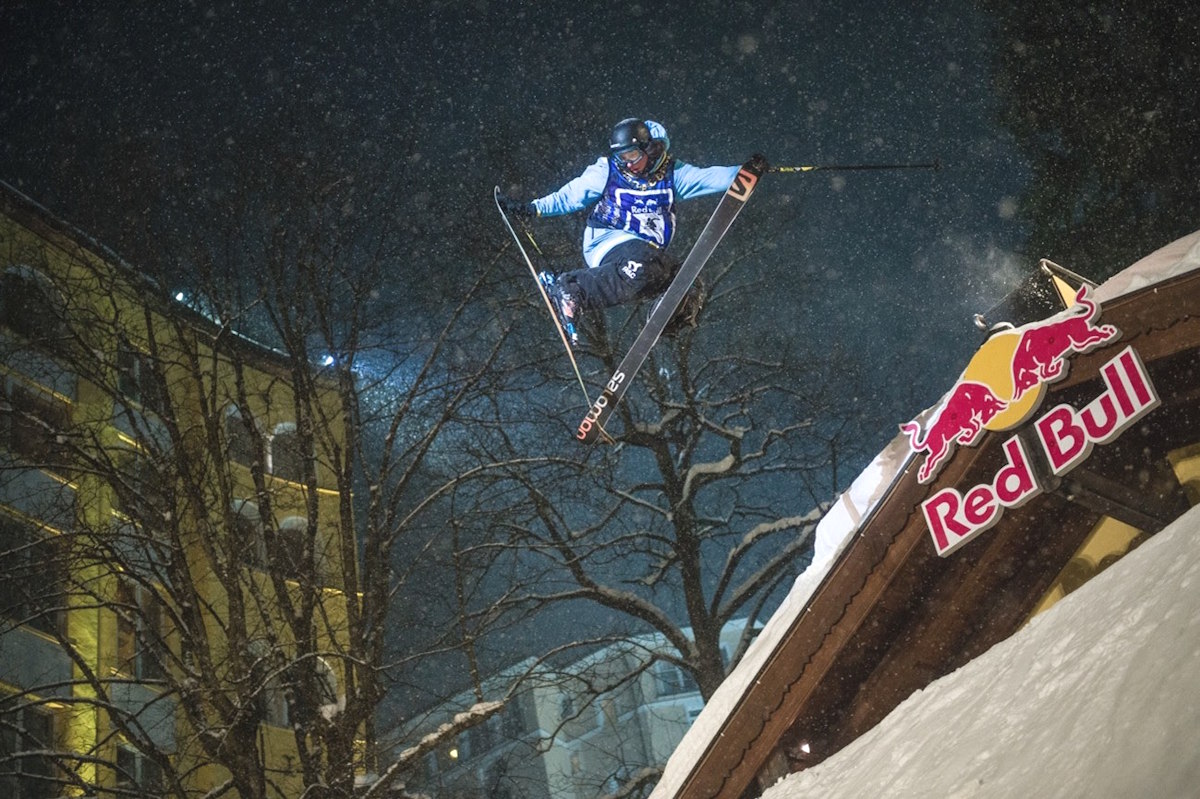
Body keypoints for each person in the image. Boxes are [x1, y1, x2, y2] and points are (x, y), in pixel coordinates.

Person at [500, 118, 764, 345]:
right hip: (607, 240)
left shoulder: (675, 175)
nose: (627, 164)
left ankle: (667, 320)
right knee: (646, 261)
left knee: (688, 282)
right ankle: (572, 289)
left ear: (650, 149)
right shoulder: (607, 170)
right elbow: (571, 195)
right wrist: (531, 209)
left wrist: (745, 173)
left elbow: (712, 177)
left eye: (633, 157)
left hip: (645, 255)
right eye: (621, 158)